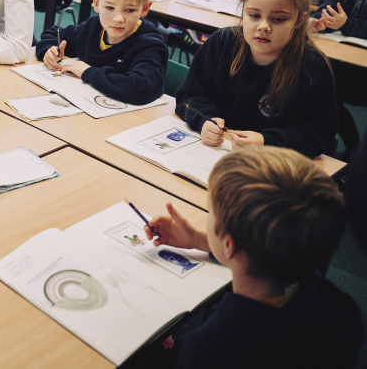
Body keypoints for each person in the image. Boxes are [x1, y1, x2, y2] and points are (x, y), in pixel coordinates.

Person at [144, 147, 363, 369]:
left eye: (211, 211)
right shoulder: (334, 305)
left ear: (229, 244)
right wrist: (197, 240)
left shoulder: (206, 349)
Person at [175, 0, 337, 158]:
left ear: (300, 21)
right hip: (215, 153)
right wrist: (204, 121)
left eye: (278, 19)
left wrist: (265, 141)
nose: (263, 26)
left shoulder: (313, 66)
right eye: (254, 15)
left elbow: (317, 134)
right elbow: (189, 97)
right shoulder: (222, 43)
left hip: (270, 164)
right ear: (243, 11)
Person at [36, 0, 167, 105]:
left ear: (145, 8)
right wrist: (48, 50)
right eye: (110, 7)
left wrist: (89, 72)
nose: (118, 19)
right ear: (96, 3)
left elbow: (140, 89)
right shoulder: (92, 28)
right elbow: (55, 33)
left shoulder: (149, 45)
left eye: (129, 10)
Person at [310, 0, 367, 159]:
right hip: (343, 60)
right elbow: (328, 5)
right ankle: (353, 148)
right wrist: (324, 20)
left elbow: (343, 20)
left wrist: (346, 23)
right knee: (324, 92)